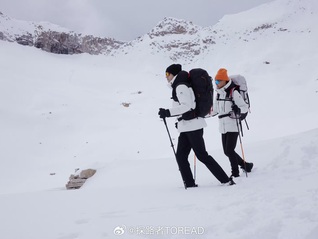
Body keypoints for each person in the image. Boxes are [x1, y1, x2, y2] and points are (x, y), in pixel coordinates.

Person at [158, 64, 235, 187]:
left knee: (202, 156)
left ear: (173, 74)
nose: (166, 76)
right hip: (187, 126)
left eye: (167, 74)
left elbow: (187, 106)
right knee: (181, 156)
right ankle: (189, 184)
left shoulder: (181, 86)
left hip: (192, 126)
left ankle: (225, 180)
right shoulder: (180, 84)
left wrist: (167, 112)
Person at [212, 68, 253, 177]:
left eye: (218, 81)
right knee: (226, 151)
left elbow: (244, 107)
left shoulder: (233, 92)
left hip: (233, 125)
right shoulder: (218, 94)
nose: (216, 83)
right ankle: (246, 165)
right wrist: (201, 114)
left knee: (229, 150)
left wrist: (238, 110)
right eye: (215, 81)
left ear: (225, 80)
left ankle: (235, 173)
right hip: (222, 126)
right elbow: (215, 111)